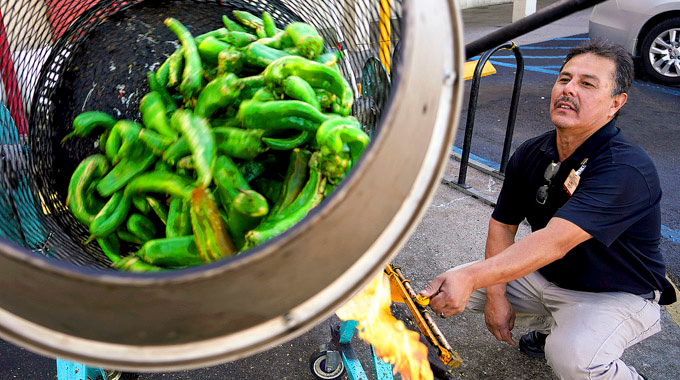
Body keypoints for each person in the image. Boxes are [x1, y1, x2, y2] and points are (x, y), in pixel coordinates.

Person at [419, 39, 676, 380]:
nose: (569, 90)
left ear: (616, 103)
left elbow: (555, 241)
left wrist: (473, 277)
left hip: (614, 293)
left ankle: (573, 336)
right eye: (564, 78)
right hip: (547, 275)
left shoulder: (624, 168)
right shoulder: (533, 151)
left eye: (587, 84)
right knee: (442, 289)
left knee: (573, 360)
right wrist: (495, 295)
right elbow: (503, 224)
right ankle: (554, 323)